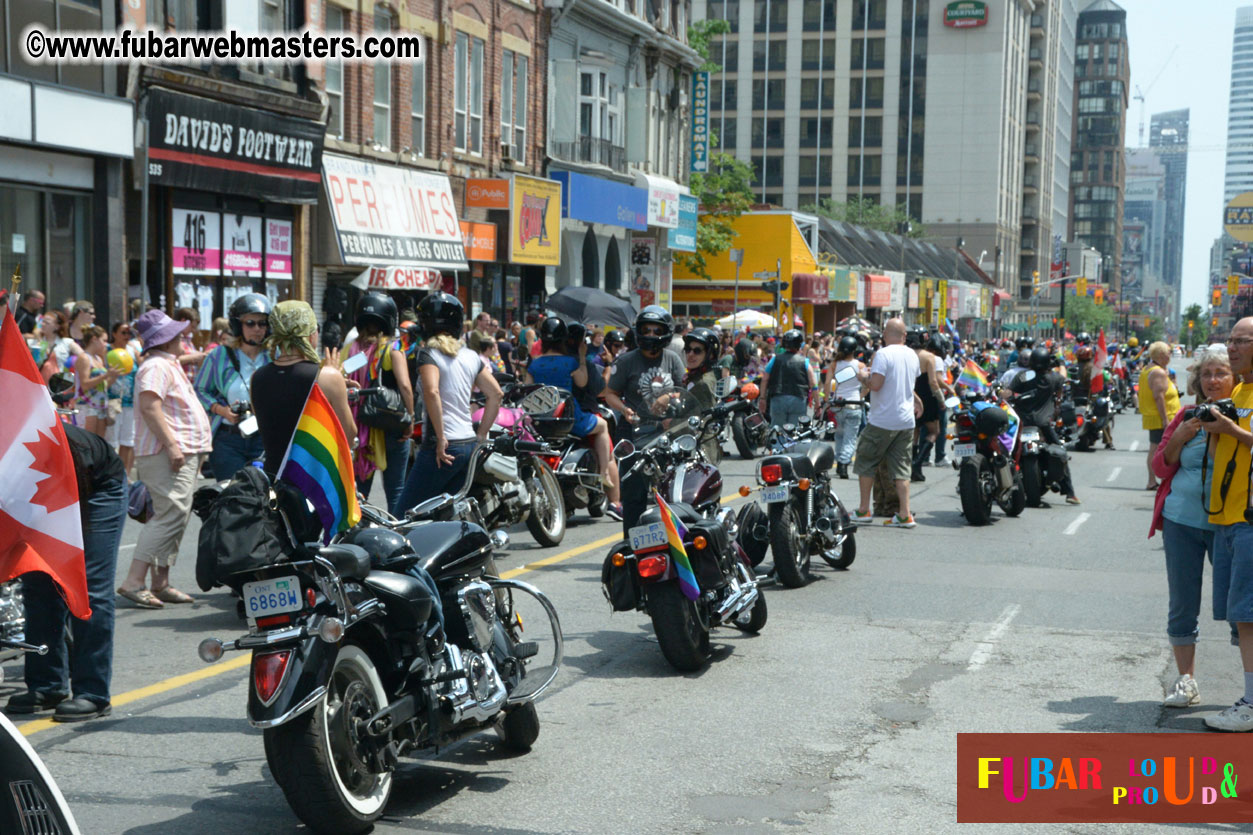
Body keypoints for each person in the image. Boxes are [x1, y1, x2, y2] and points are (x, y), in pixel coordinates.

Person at [5, 424, 126, 722]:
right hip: (36, 492)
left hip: (94, 488)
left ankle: (92, 693)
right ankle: (47, 687)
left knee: (87, 588)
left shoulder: (27, 432)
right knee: (38, 585)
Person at [1149, 345, 1233, 708]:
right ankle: (1185, 681)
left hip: (1229, 523)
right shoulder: (1186, 415)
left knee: (1238, 604)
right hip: (1181, 519)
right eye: (1207, 374)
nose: (1212, 380)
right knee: (1183, 603)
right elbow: (1160, 467)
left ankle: (1248, 685)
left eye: (1220, 373)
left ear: (1235, 378)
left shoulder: (1243, 415)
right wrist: (1181, 437)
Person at [116, 310, 212, 609]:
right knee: (170, 514)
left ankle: (160, 582)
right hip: (166, 453)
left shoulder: (164, 363)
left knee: (175, 514)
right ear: (167, 338)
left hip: (177, 451)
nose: (184, 336)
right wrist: (172, 446)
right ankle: (134, 581)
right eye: (178, 333)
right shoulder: (156, 366)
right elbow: (150, 408)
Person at [250, 300, 356, 540]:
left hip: (276, 488)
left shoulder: (258, 377)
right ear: (311, 334)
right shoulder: (326, 376)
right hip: (319, 488)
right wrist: (337, 384)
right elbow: (348, 434)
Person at [1193, 319, 1253, 730]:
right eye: (1229, 340)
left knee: (1248, 616)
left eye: (1240, 341)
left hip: (1249, 518)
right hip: (1228, 516)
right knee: (1242, 617)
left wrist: (1230, 426)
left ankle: (1249, 704)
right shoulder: (1238, 390)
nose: (1230, 347)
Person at [397, 293, 502, 511]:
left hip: (441, 446)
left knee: (403, 514)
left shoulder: (428, 354)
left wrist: (441, 437)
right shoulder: (470, 356)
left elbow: (432, 391)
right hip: (467, 444)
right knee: (443, 513)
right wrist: (481, 434)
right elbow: (496, 394)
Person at [526, 317, 622, 518]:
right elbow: (583, 382)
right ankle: (603, 473)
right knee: (603, 426)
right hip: (568, 418)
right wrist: (581, 357)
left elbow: (527, 390)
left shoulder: (535, 365)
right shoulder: (571, 362)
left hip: (540, 421)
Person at [606, 305, 687, 533]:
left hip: (667, 433)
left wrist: (668, 396)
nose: (651, 334)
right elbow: (610, 393)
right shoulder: (625, 361)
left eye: (656, 330)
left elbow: (684, 388)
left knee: (670, 491)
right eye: (646, 329)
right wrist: (624, 410)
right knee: (634, 494)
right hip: (634, 432)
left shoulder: (672, 359)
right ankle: (632, 545)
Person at [347, 292, 414, 515]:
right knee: (396, 490)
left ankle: (358, 534)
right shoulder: (392, 348)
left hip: (362, 426)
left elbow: (343, 377)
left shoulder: (356, 351)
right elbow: (405, 386)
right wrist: (411, 418)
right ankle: (397, 535)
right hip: (392, 425)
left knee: (361, 491)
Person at [193, 293, 271, 483]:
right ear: (238, 325)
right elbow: (199, 390)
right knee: (232, 497)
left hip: (264, 440)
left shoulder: (274, 356)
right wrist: (221, 410)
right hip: (228, 441)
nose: (257, 329)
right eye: (250, 323)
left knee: (263, 496)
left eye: (262, 323)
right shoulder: (219, 355)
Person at [851, 319, 921, 528]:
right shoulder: (911, 355)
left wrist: (863, 376)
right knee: (901, 468)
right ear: (904, 335)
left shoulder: (883, 354)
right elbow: (905, 383)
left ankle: (863, 510)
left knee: (866, 462)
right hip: (905, 421)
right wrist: (918, 401)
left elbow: (876, 385)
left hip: (882, 419)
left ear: (883, 334)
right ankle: (905, 514)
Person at [1009, 347, 1080, 505]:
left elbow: (1007, 392)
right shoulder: (1052, 378)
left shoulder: (1025, 376)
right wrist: (1061, 362)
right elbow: (1063, 376)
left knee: (1007, 451)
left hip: (1022, 423)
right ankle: (1069, 493)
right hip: (1043, 424)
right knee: (1060, 452)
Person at [909, 329, 954, 483]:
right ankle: (918, 463)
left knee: (914, 432)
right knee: (934, 431)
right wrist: (941, 400)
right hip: (928, 396)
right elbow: (934, 382)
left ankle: (913, 466)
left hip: (912, 394)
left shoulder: (908, 355)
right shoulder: (929, 357)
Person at [1140, 341, 1181, 491]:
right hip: (1161, 417)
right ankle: (1152, 480)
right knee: (1157, 448)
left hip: (1159, 416)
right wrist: (1165, 420)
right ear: (1162, 355)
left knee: (1156, 448)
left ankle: (1155, 479)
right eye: (1169, 353)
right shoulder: (1157, 372)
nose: (1170, 356)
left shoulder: (1151, 369)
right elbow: (1159, 397)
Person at [759, 329, 816, 428]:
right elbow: (813, 383)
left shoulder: (774, 359)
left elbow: (764, 379)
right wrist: (818, 404)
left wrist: (762, 398)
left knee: (777, 430)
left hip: (778, 398)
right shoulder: (805, 362)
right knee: (795, 431)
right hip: (799, 399)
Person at [682, 326, 723, 462]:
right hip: (690, 441)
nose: (690, 354)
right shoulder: (694, 377)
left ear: (710, 354)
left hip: (700, 446)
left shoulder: (703, 382)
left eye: (697, 351)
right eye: (688, 349)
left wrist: (670, 422)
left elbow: (702, 418)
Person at [830, 335, 866, 480]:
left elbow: (828, 383)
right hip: (854, 404)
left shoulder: (835, 364)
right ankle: (844, 463)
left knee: (839, 435)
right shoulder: (860, 366)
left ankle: (839, 461)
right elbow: (867, 385)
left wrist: (828, 399)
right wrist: (861, 396)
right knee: (850, 437)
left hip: (837, 404)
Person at [73, 325, 119, 438]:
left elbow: (103, 386)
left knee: (99, 443)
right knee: (88, 442)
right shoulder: (84, 358)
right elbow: (85, 384)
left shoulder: (98, 359)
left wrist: (113, 377)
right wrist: (105, 375)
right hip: (86, 404)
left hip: (100, 404)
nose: (106, 344)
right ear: (94, 339)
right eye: (104, 340)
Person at [106, 321, 139, 472]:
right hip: (112, 401)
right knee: (111, 442)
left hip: (130, 402)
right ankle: (111, 474)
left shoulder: (133, 350)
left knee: (128, 441)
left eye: (129, 333)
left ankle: (124, 474)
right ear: (114, 334)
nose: (127, 336)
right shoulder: (106, 350)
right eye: (123, 333)